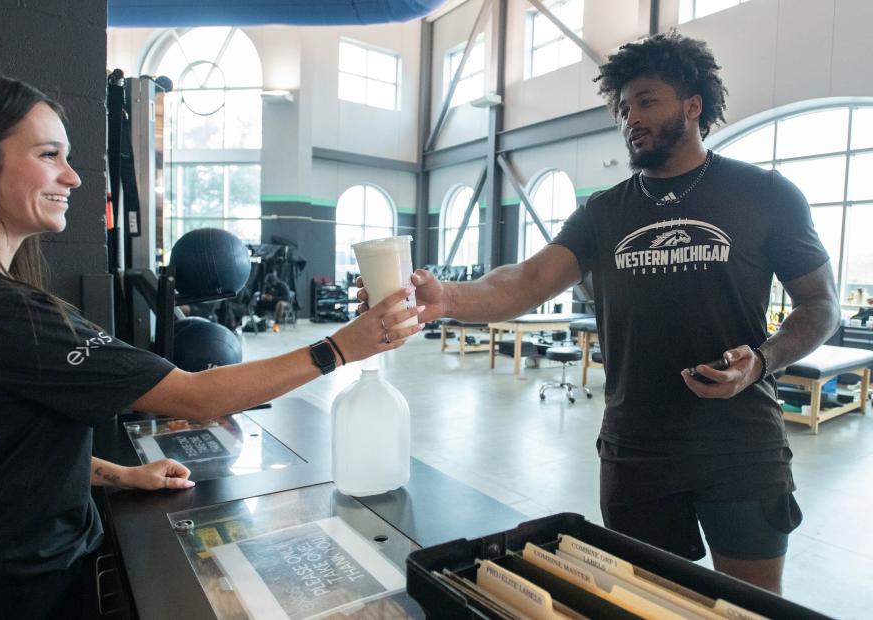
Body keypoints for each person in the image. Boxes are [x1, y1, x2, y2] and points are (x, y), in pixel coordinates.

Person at [0, 71, 423, 618]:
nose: (72, 177)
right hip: (4, 594)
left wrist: (122, 475)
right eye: (48, 154)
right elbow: (195, 396)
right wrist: (341, 348)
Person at [359, 32, 839, 594]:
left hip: (740, 444)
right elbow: (527, 279)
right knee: (647, 602)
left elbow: (821, 304)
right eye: (623, 106)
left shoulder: (765, 194)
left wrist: (761, 361)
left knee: (751, 607)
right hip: (636, 450)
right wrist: (446, 299)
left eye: (646, 100)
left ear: (693, 105)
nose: (630, 116)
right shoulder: (604, 212)